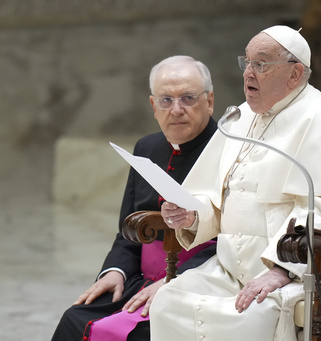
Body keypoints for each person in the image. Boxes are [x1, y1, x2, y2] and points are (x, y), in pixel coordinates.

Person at [150, 26, 321, 341]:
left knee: (248, 316)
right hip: (232, 268)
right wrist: (193, 215)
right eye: (247, 62)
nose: (248, 74)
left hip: (304, 267)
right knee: (169, 301)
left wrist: (281, 270)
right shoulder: (239, 118)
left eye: (261, 64)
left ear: (295, 74)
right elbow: (217, 195)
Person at [51, 55, 218, 341]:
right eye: (166, 100)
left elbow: (235, 239)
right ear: (153, 105)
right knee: (75, 319)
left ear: (210, 101)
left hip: (200, 280)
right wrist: (115, 271)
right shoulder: (147, 147)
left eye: (188, 98)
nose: (176, 109)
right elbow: (128, 230)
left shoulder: (230, 150)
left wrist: (175, 280)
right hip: (140, 282)